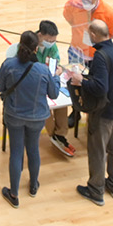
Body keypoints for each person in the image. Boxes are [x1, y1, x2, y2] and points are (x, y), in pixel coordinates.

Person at [0, 30, 61, 207]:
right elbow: (53, 94)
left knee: (16, 152)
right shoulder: (42, 70)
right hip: (37, 117)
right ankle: (33, 186)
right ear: (36, 49)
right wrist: (56, 77)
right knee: (33, 150)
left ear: (19, 44)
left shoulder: (8, 65)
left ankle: (14, 194)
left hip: (14, 115)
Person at [68, 19, 113, 206]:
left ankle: (95, 190)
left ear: (93, 35)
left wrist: (81, 81)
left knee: (98, 151)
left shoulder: (101, 56)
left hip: (104, 113)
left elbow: (100, 87)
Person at [34, 20, 77, 157]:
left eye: (53, 40)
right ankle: (53, 134)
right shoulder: (30, 42)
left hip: (50, 80)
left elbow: (55, 61)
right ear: (40, 35)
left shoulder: (52, 47)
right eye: (49, 40)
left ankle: (61, 134)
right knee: (45, 106)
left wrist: (57, 72)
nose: (51, 43)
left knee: (61, 102)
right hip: (34, 83)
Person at [63, 0, 113, 65]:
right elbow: (68, 18)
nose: (84, 2)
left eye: (88, 0)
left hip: (95, 57)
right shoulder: (74, 6)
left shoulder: (109, 14)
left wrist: (97, 41)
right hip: (75, 52)